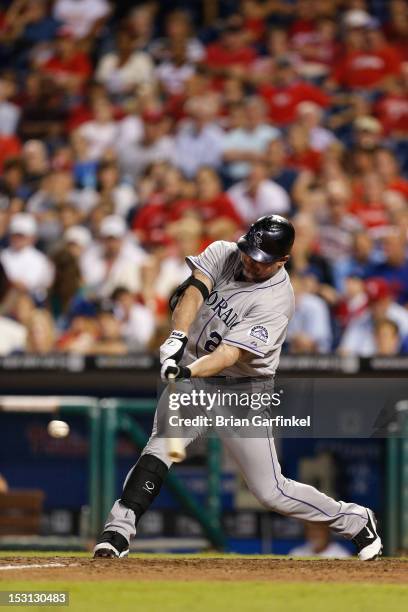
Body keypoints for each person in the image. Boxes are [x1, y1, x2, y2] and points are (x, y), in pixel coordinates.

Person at [93, 214, 382, 561]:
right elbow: (195, 290)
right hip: (196, 374)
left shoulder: (277, 301)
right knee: (162, 447)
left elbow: (230, 354)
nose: (250, 261)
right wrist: (177, 336)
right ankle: (118, 532)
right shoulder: (224, 251)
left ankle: (353, 519)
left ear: (283, 260)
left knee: (271, 491)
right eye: (250, 252)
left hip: (242, 389)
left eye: (262, 260)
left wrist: (185, 372)